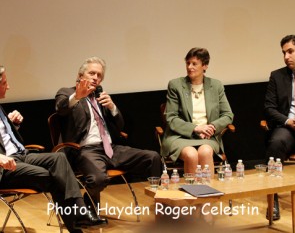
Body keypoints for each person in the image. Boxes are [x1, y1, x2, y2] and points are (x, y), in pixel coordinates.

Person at [0, 65, 107, 233]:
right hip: (5, 166)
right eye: (5, 83)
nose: (8, 86)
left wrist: (12, 125)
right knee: (54, 177)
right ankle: (77, 223)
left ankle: (79, 212)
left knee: (58, 158)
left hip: (20, 155)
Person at [55, 56, 162, 211]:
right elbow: (61, 109)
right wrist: (78, 96)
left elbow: (120, 126)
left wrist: (112, 107)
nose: (96, 78)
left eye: (99, 75)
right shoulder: (66, 93)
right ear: (80, 76)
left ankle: (160, 202)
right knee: (98, 179)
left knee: (153, 157)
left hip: (110, 148)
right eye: (92, 73)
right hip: (84, 150)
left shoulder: (100, 97)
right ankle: (88, 205)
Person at [161, 47, 234, 174]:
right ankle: (192, 192)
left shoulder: (216, 86)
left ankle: (209, 191)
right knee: (191, 154)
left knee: (205, 152)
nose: (190, 67)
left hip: (207, 137)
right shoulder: (176, 85)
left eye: (194, 64)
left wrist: (212, 127)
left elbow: (228, 114)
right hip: (179, 136)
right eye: (188, 63)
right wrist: (195, 128)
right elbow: (171, 118)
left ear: (205, 66)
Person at [264, 34, 295, 220]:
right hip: (288, 128)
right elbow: (269, 108)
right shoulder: (277, 76)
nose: (286, 56)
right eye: (284, 53)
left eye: (290, 51)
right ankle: (273, 199)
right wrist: (288, 121)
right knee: (276, 143)